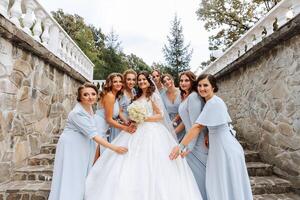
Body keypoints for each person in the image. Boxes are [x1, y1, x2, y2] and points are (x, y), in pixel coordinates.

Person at [85, 71, 202, 200]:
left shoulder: (153, 96)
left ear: (148, 81)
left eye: (143, 80)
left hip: (152, 131)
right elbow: (125, 113)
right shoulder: (136, 96)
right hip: (136, 129)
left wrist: (144, 118)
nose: (141, 82)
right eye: (139, 80)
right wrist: (134, 119)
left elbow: (160, 115)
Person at [170, 74, 253, 200]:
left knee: (228, 183)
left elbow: (197, 127)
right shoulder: (209, 102)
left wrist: (180, 146)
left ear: (213, 87)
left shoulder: (214, 103)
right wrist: (208, 133)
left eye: (205, 85)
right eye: (200, 85)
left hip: (225, 149)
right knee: (221, 184)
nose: (202, 88)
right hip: (217, 146)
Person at [48, 83, 128, 200]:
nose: (90, 97)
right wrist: (114, 147)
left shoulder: (89, 107)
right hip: (72, 145)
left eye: (93, 94)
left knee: (81, 174)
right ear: (80, 97)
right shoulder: (78, 113)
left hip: (82, 144)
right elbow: (94, 136)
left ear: (97, 96)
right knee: (72, 173)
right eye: (86, 95)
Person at [95, 73, 135, 155]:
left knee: (101, 154)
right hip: (98, 126)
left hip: (104, 127)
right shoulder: (110, 96)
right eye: (115, 82)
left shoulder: (115, 95)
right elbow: (109, 119)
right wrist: (125, 128)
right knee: (96, 154)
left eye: (120, 81)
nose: (118, 83)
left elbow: (119, 111)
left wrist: (127, 122)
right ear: (110, 83)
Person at [110, 69, 137, 140]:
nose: (131, 82)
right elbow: (119, 111)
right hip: (121, 123)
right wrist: (127, 122)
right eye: (129, 79)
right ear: (124, 80)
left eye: (133, 80)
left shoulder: (133, 91)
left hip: (131, 121)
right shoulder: (121, 92)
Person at [160, 73, 185, 141]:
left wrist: (174, 120)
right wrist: (168, 124)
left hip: (183, 120)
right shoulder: (162, 96)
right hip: (169, 123)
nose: (167, 82)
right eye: (164, 81)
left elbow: (185, 108)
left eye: (168, 79)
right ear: (163, 84)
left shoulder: (182, 92)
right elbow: (163, 112)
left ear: (172, 80)